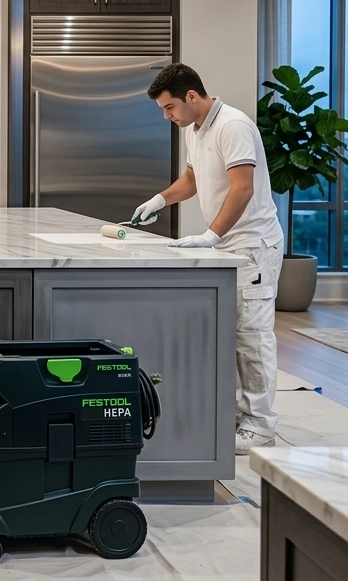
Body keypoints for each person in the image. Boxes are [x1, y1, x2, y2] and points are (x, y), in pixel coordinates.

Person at [131, 63, 285, 454]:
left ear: (192, 97)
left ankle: (260, 427)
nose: (167, 116)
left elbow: (243, 188)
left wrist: (211, 234)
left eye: (169, 108)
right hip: (226, 247)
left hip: (252, 246)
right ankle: (237, 417)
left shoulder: (233, 126)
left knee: (252, 339)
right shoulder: (195, 131)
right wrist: (160, 200)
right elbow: (193, 179)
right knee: (228, 335)